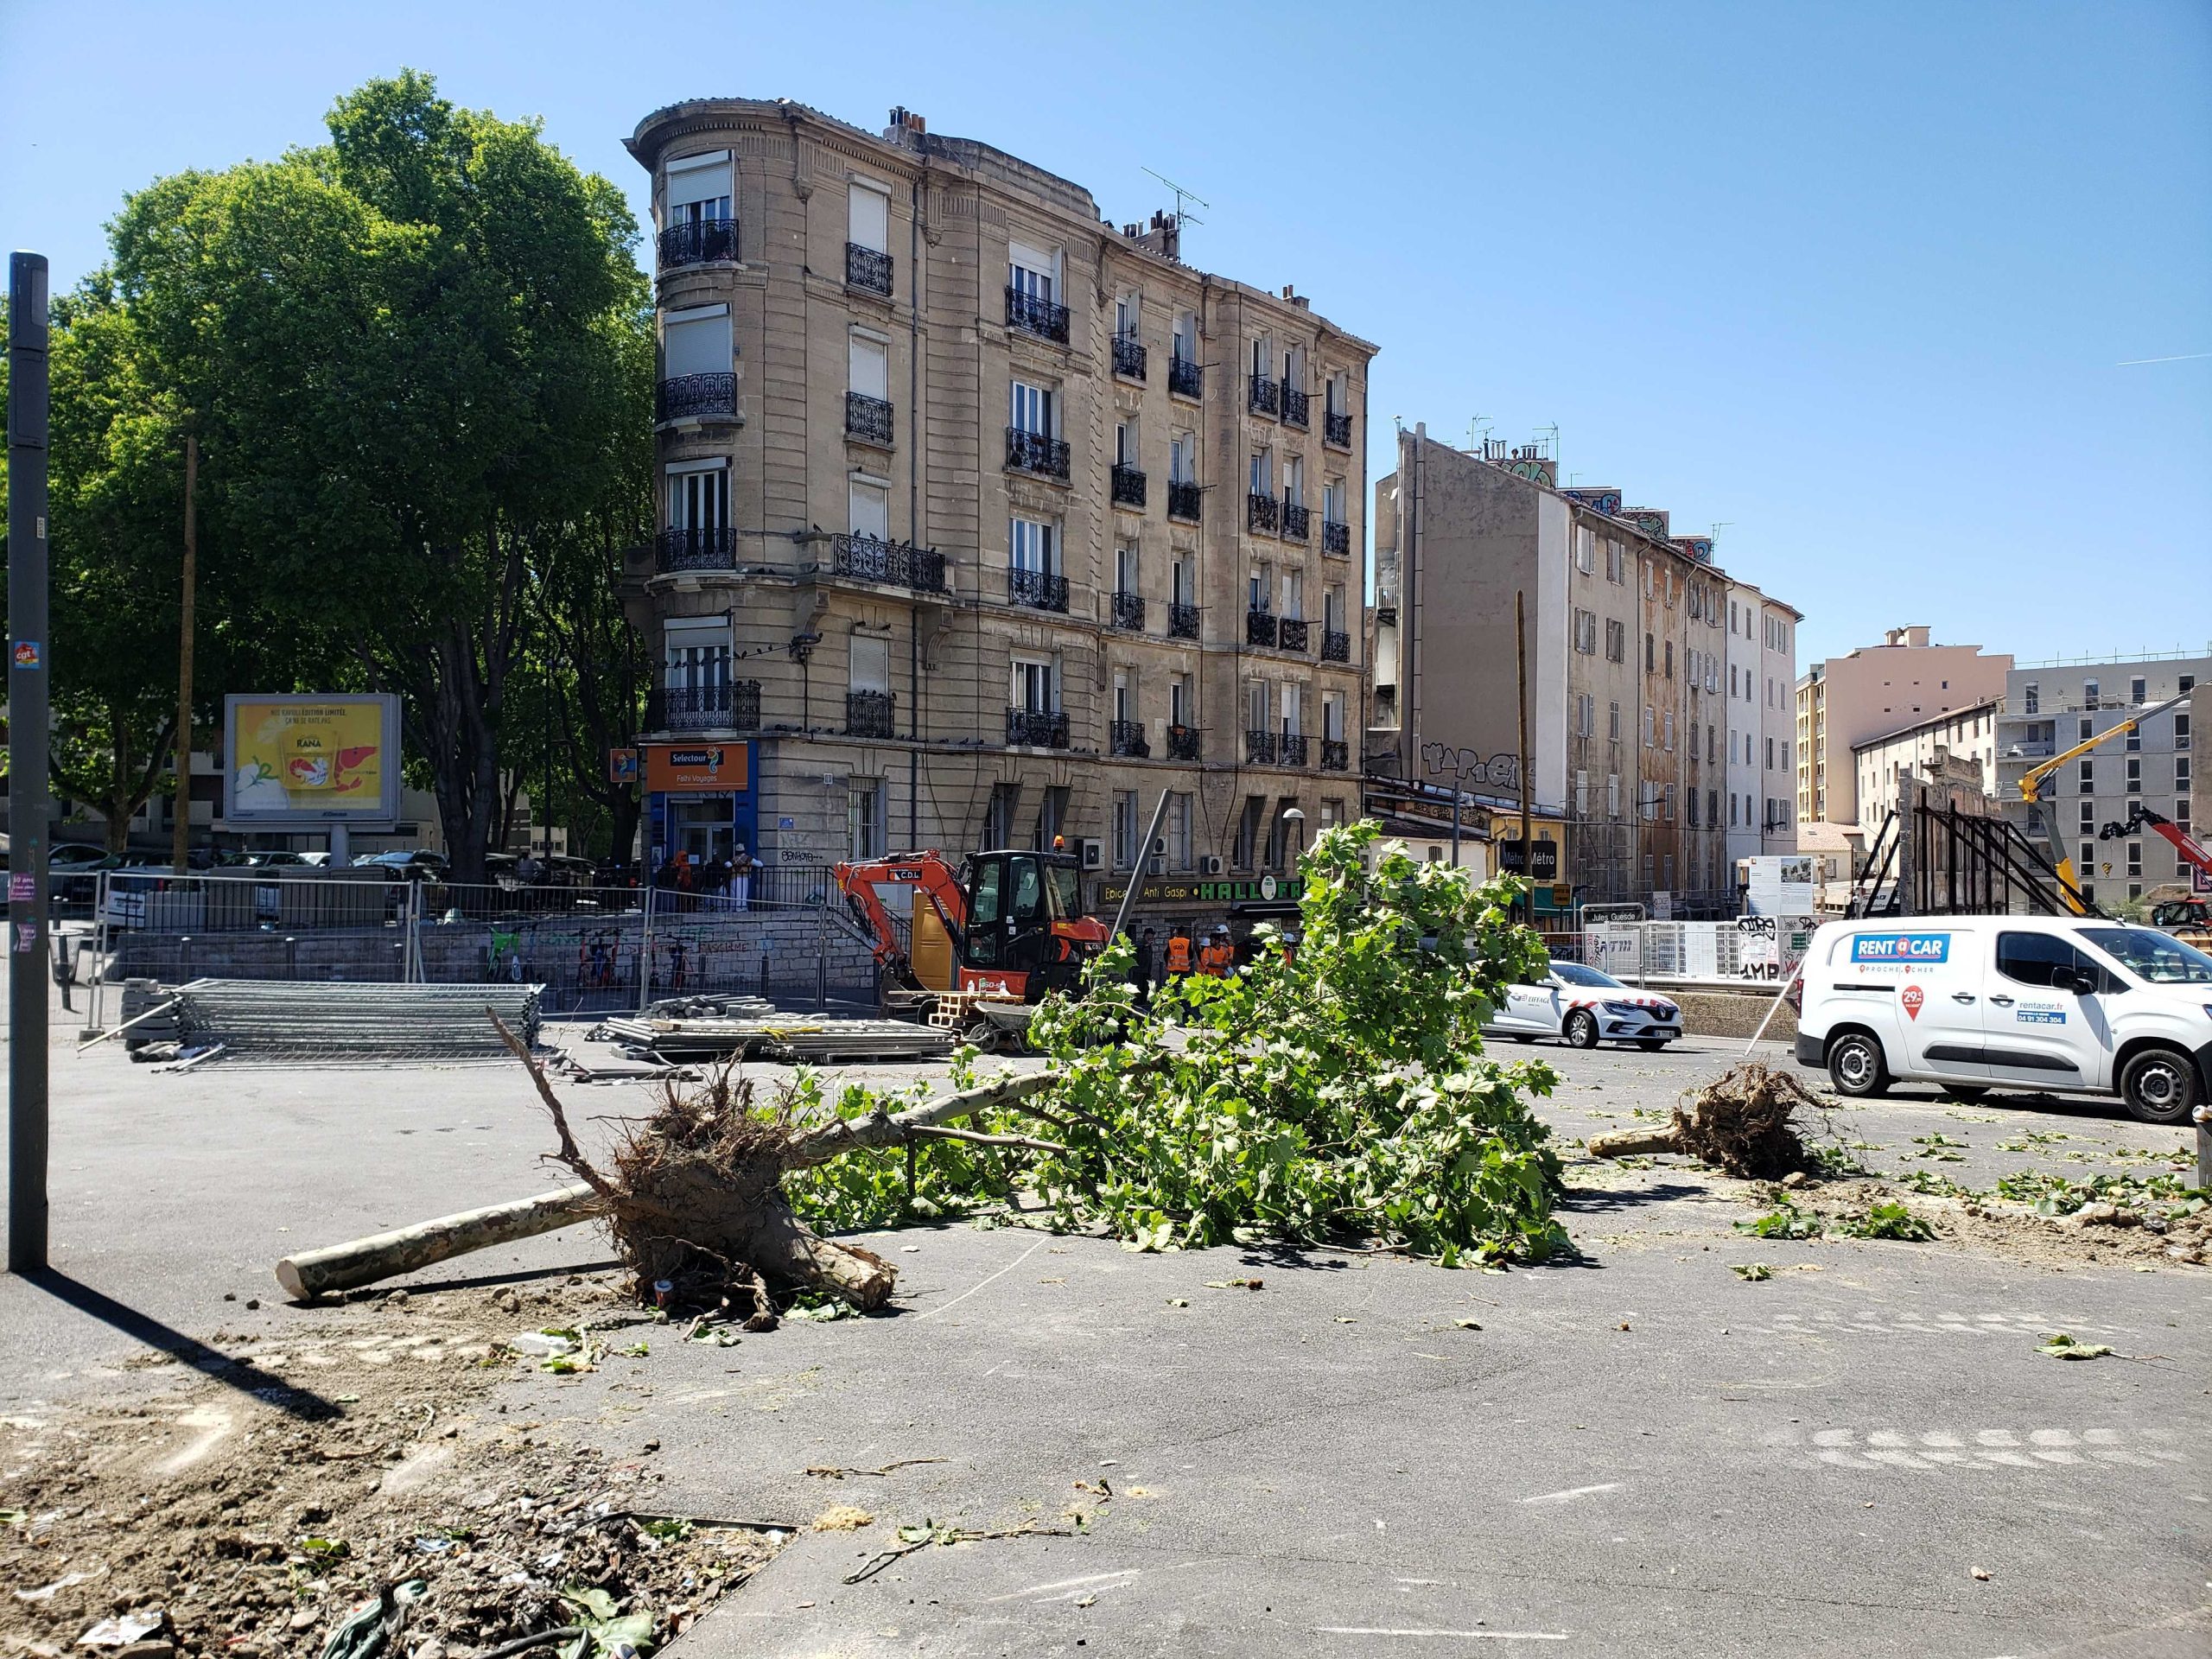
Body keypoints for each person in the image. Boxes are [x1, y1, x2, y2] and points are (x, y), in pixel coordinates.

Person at [1131, 927, 1156, 1007]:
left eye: (1152, 937)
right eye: (1149, 937)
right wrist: (1145, 945)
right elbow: (1135, 948)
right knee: (1138, 989)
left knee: (1145, 989)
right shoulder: (1140, 944)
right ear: (1145, 935)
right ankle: (1136, 1004)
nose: (1151, 939)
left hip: (1146, 971)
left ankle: (1143, 1004)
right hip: (1138, 971)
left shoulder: (1149, 946)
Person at [729, 842, 754, 912]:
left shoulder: (734, 859)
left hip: (735, 876)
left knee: (735, 892)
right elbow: (760, 864)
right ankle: (742, 907)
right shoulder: (748, 858)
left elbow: (727, 864)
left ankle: (736, 907)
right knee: (743, 892)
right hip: (744, 876)